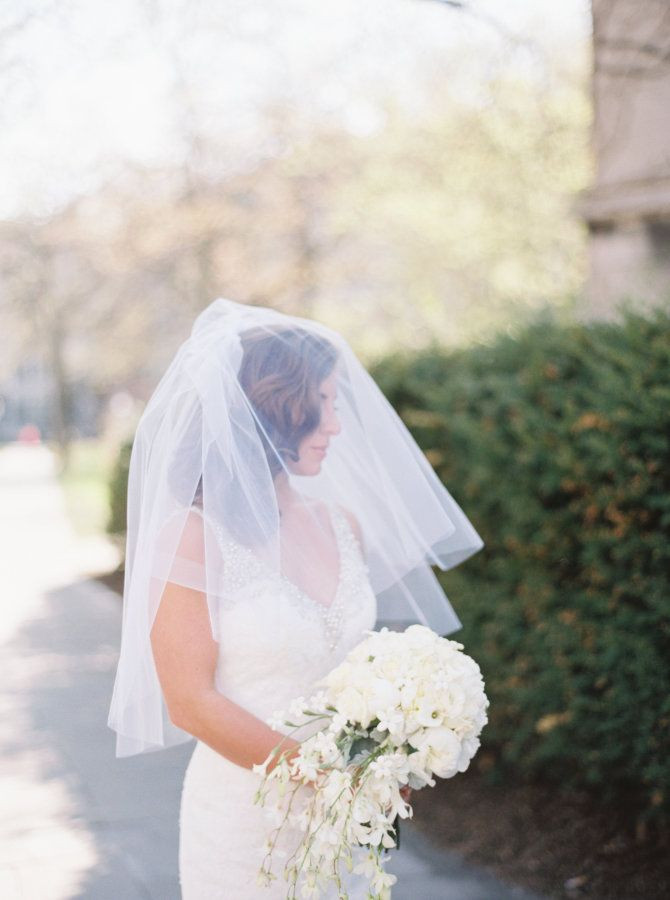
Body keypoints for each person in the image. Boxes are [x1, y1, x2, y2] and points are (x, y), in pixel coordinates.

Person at [107, 298, 485, 898]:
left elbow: (357, 671)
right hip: (243, 825)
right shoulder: (192, 537)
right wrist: (334, 777)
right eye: (326, 402)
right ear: (278, 407)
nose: (337, 424)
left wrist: (392, 748)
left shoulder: (342, 524)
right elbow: (191, 703)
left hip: (341, 829)